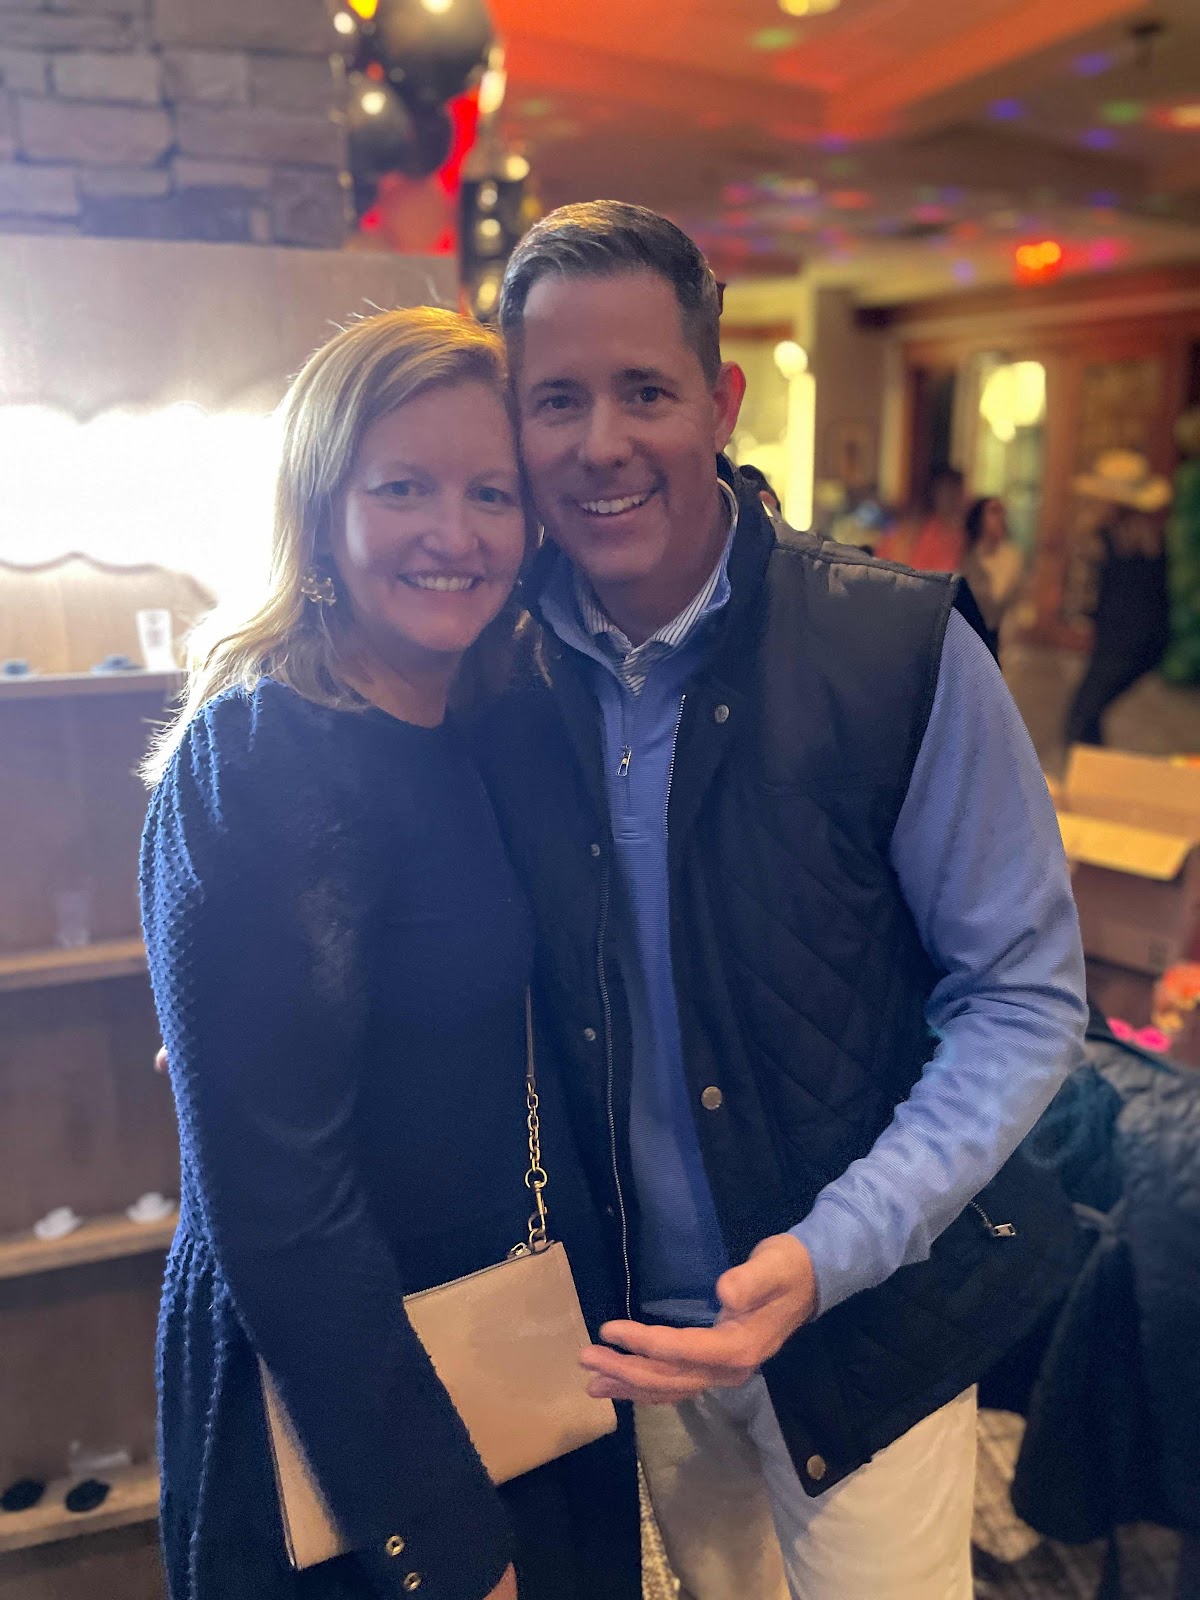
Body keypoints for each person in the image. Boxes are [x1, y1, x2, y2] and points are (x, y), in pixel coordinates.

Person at [470, 201, 1087, 1600]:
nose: (600, 442)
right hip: (636, 1328)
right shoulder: (496, 671)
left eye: (645, 390)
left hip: (864, 1317)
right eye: (556, 400)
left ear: (722, 401)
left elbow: (1023, 995)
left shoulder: (892, 646)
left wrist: (830, 1252)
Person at [139, 308, 639, 1600]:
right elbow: (279, 1203)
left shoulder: (479, 723)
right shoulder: (264, 754)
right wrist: (440, 1535)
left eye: (490, 493)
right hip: (349, 1410)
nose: (453, 533)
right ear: (320, 512)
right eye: (403, 487)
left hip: (500, 1341)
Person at [1064, 449, 1172, 748]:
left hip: (1122, 644)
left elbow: (1089, 598)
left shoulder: (1113, 539)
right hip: (1136, 642)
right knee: (1087, 718)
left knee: (1080, 719)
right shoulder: (1145, 537)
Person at [1162, 407, 1200, 686]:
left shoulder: (1188, 475)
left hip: (1187, 549)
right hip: (1187, 550)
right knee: (1186, 608)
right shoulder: (1189, 475)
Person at [962, 494, 1024, 651]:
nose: (1001, 518)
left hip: (994, 636)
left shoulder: (1010, 557)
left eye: (1003, 512)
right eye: (994, 511)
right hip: (964, 633)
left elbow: (1003, 597)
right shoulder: (964, 554)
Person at [876, 465, 966, 571]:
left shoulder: (963, 535)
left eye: (956, 492)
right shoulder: (914, 527)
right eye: (946, 492)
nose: (952, 499)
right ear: (933, 494)